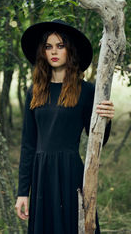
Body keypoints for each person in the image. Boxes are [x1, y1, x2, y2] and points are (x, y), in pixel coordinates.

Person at [15, 19, 115, 234]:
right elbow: (28, 145)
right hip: (41, 176)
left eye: (60, 46)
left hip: (71, 173)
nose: (54, 52)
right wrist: (23, 192)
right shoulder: (34, 92)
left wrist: (106, 119)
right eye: (48, 46)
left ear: (71, 51)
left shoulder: (87, 91)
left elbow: (97, 139)